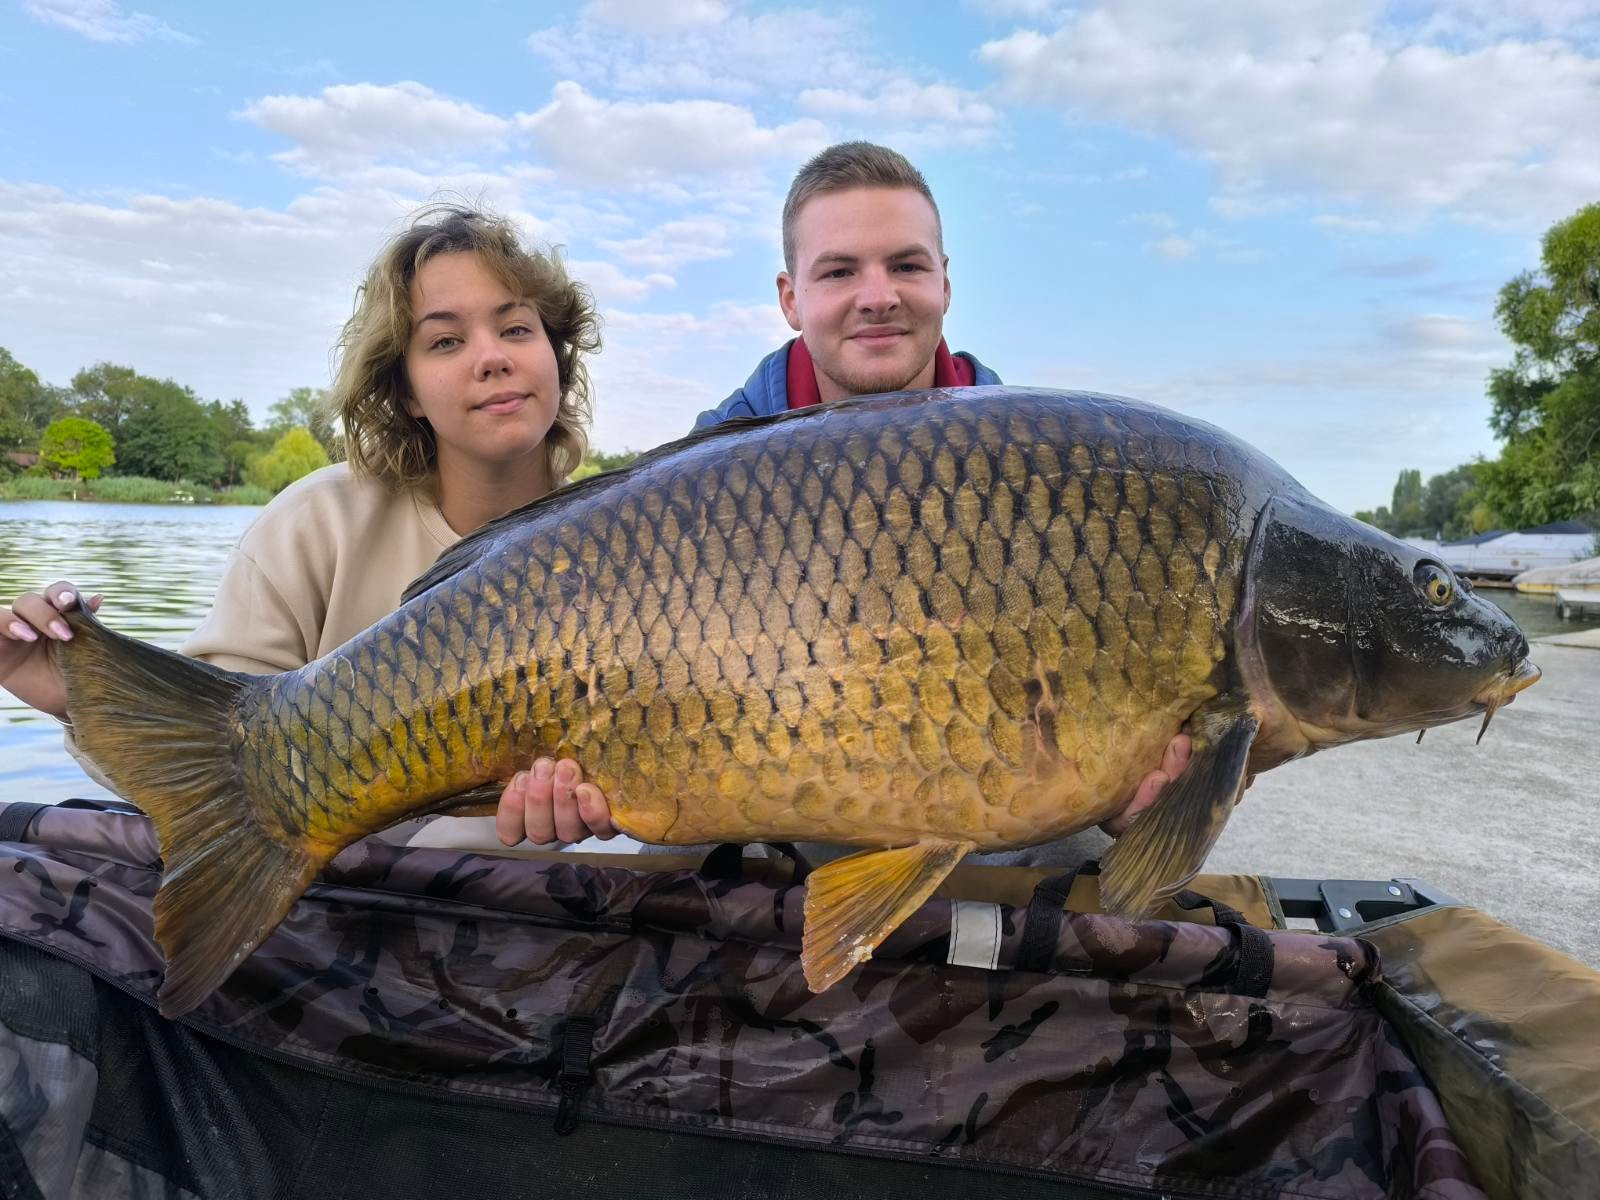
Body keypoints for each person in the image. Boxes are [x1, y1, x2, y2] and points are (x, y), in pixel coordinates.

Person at [519, 142, 1191, 858]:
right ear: (791, 298)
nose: (878, 296)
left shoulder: (1035, 468)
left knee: (1085, 859)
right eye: (840, 271)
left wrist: (1132, 788)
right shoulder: (710, 470)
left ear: (945, 283)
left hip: (983, 792)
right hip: (770, 789)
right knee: (673, 858)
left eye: (906, 266)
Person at [0, 204, 619, 849]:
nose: (491, 358)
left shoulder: (632, 537)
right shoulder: (315, 522)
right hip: (345, 888)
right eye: (445, 341)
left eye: (517, 329)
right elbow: (209, 772)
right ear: (406, 391)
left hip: (567, 880)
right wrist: (83, 696)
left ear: (555, 355)